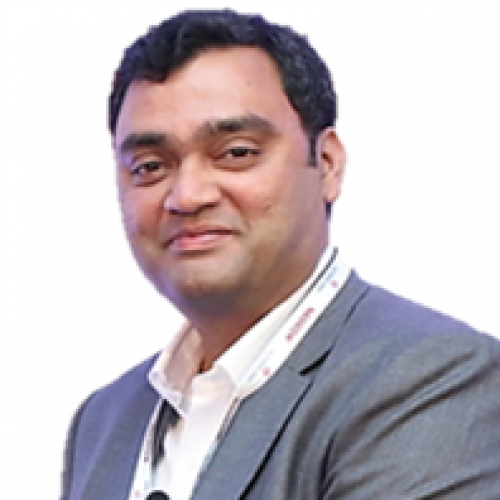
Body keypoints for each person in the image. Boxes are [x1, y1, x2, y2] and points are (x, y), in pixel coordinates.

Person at [60, 9, 500, 500]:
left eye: (236, 153)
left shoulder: (431, 377)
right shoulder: (105, 421)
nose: (187, 195)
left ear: (327, 165)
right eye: (149, 166)